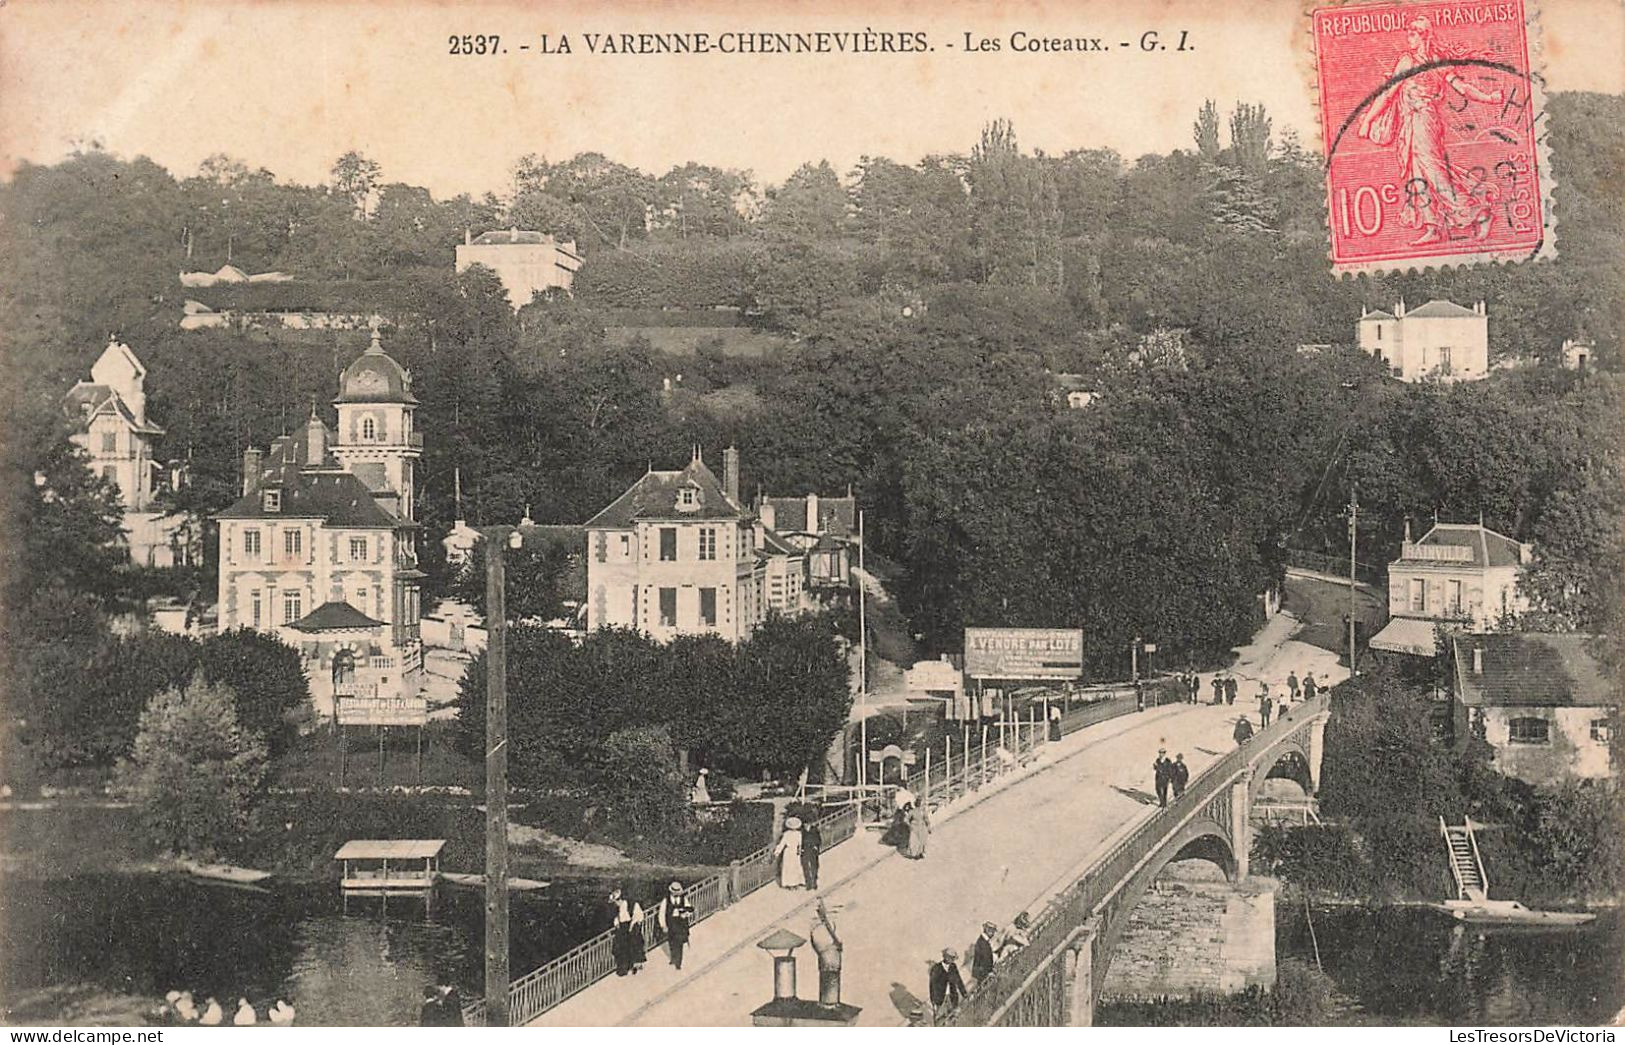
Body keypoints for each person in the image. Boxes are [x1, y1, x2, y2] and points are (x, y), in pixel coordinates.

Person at [1357, 14, 1504, 245]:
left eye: (1413, 33)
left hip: (1423, 123)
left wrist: (1367, 121)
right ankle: (1433, 226)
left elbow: (1389, 94)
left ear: (1423, 36)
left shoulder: (1412, 61)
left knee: (1435, 173)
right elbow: (1460, 88)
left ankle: (1479, 213)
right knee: (1417, 174)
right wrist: (1490, 97)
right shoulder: (1434, 60)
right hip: (1415, 124)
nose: (1409, 37)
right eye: (1408, 33)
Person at [609, 886, 646, 976]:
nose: (615, 904)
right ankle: (625, 967)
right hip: (623, 929)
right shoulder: (618, 908)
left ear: (619, 900)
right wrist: (617, 923)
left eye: (616, 902)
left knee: (635, 945)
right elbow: (617, 918)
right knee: (622, 948)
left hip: (633, 928)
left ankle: (636, 965)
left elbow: (639, 916)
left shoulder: (631, 904)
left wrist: (632, 925)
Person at [658, 880, 694, 970]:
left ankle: (678, 962)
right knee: (672, 942)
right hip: (671, 923)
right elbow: (661, 914)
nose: (677, 894)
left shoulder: (683, 899)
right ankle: (674, 958)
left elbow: (689, 909)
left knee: (679, 943)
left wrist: (685, 914)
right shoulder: (666, 900)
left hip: (680, 923)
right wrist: (663, 925)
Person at [928, 948, 968, 1021]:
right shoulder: (936, 969)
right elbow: (932, 986)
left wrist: (964, 993)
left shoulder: (953, 966)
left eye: (954, 958)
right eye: (952, 958)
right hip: (940, 999)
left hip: (952, 997)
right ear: (946, 957)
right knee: (940, 1020)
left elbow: (958, 980)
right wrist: (933, 1002)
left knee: (953, 1018)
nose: (953, 960)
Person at [774, 816, 807, 888]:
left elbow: (782, 844)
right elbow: (800, 844)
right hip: (794, 852)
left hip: (789, 852)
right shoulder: (798, 834)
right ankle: (795, 883)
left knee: (789, 868)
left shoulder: (787, 834)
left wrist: (777, 852)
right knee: (795, 867)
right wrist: (800, 851)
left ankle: (789, 884)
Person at [801, 817, 823, 890]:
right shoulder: (802, 831)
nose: (805, 825)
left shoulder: (814, 830)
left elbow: (818, 839)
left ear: (809, 823)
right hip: (805, 850)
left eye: (806, 824)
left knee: (814, 866)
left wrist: (816, 846)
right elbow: (800, 841)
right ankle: (808, 884)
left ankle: (814, 882)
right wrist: (802, 849)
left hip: (813, 850)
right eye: (804, 824)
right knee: (806, 867)